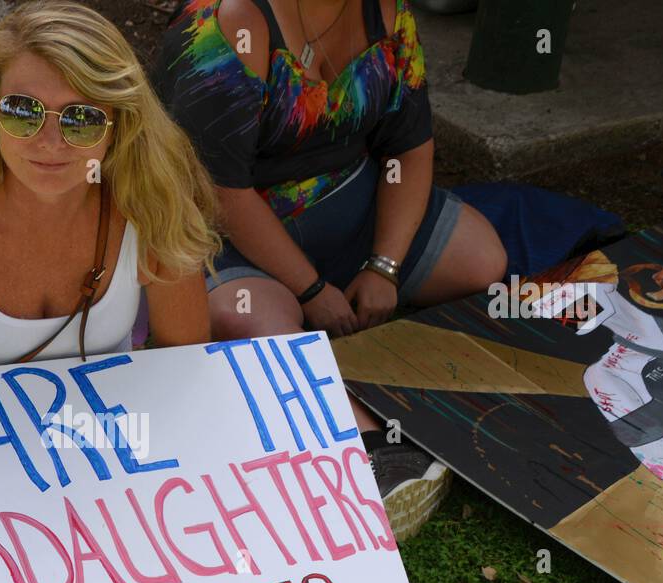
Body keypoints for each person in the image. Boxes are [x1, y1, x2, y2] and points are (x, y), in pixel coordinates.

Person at [152, 0, 509, 539]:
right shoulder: (228, 26)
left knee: (484, 261)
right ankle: (373, 445)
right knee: (246, 321)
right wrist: (312, 288)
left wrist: (384, 266)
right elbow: (221, 191)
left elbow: (409, 148)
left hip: (350, 200)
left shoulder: (389, 13)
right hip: (229, 232)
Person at [0, 1, 220, 376]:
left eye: (81, 117)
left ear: (119, 122)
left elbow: (187, 370)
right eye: (23, 110)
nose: (51, 143)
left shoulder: (151, 201)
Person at [526, 251, 663, 500]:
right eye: (543, 306)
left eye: (561, 294)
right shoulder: (608, 376)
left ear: (605, 281)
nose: (557, 310)